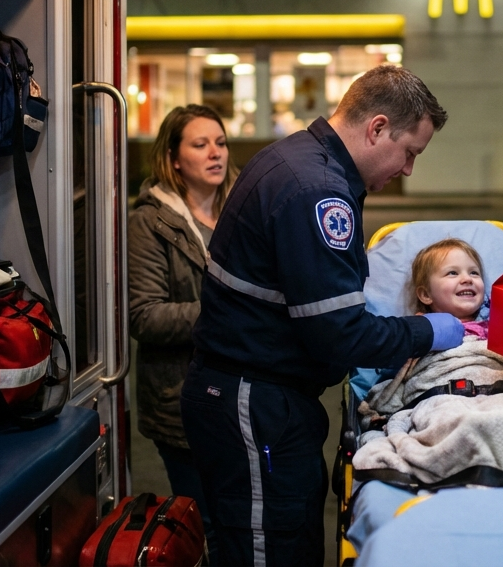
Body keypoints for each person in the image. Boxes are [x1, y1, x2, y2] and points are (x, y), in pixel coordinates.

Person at [179, 65, 464, 567]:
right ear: (377, 128)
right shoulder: (318, 191)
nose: (408, 169)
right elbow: (339, 336)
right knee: (272, 552)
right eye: (410, 152)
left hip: (260, 396)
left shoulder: (299, 161)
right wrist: (425, 331)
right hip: (255, 402)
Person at [128, 104, 236, 548]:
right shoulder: (150, 221)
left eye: (221, 142)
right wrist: (228, 312)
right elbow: (145, 316)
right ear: (174, 158)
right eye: (200, 144)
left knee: (241, 521)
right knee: (206, 525)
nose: (216, 153)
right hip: (181, 400)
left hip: (243, 394)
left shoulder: (243, 208)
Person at [404, 238, 490, 340]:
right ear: (426, 295)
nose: (467, 279)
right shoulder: (423, 327)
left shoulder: (496, 318)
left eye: (474, 273)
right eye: (452, 273)